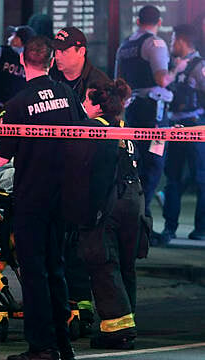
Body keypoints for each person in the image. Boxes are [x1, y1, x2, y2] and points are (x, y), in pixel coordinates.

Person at [0, 36, 83, 360]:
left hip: (32, 197)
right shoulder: (67, 94)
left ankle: (41, 346)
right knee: (56, 268)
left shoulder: (17, 105)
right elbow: (82, 137)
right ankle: (63, 343)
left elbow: (3, 157)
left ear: (22, 62)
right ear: (50, 62)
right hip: (62, 195)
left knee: (33, 273)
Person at [49, 25, 111, 338]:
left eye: (63, 50)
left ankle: (84, 306)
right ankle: (68, 300)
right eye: (55, 50)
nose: (57, 56)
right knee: (61, 239)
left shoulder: (99, 83)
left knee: (82, 242)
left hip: (90, 174)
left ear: (80, 50)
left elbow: (109, 134)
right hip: (59, 169)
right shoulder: (52, 78)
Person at [78, 79, 144, 350]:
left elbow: (91, 172)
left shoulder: (93, 129)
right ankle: (127, 321)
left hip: (110, 201)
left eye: (85, 100)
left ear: (95, 104)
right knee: (125, 263)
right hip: (134, 201)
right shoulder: (123, 128)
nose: (82, 104)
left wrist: (86, 210)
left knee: (103, 261)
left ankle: (116, 329)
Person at [115, 5, 187, 228]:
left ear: (137, 21)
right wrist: (178, 69)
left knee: (135, 163)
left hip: (134, 112)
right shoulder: (155, 44)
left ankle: (132, 217)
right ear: (159, 21)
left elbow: (118, 82)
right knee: (155, 163)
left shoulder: (125, 45)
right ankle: (142, 218)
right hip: (155, 116)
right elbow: (162, 80)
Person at [161, 24, 205, 243]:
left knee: (201, 178)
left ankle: (201, 228)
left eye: (172, 40)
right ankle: (169, 228)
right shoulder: (172, 66)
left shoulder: (199, 66)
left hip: (194, 123)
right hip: (174, 126)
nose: (171, 44)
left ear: (181, 40)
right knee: (172, 178)